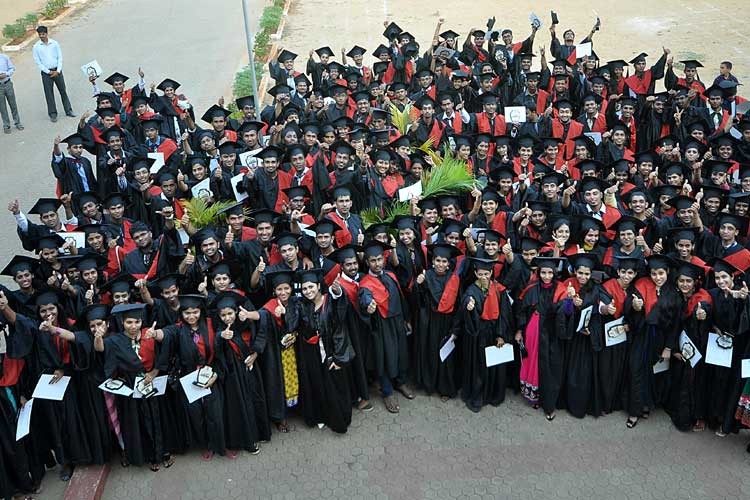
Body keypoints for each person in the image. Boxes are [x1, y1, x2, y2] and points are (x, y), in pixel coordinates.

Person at [32, 26, 74, 122]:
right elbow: (38, 62)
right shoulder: (36, 47)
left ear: (47, 33)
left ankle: (68, 110)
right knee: (49, 93)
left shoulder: (54, 43)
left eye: (43, 34)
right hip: (46, 73)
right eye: (40, 34)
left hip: (57, 71)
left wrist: (58, 71)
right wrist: (48, 71)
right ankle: (53, 114)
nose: (42, 36)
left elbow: (60, 57)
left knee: (63, 90)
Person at [0, 53, 23, 133]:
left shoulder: (4, 57)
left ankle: (17, 123)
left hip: (7, 83)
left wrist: (6, 74)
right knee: (2, 107)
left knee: (13, 104)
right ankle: (6, 125)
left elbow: (12, 68)